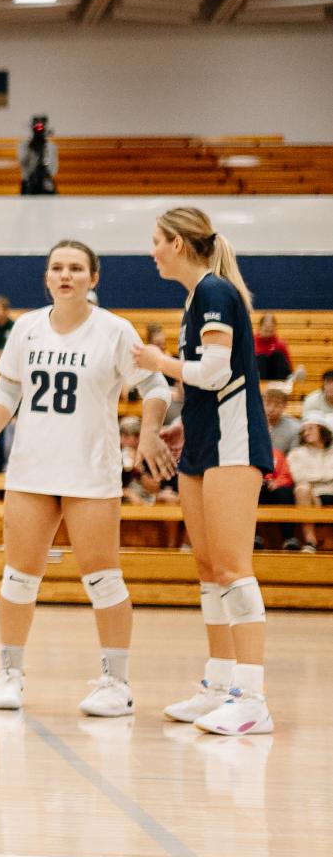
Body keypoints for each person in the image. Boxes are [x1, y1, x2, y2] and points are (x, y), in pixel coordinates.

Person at [0, 240, 173, 716]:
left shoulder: (116, 331)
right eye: (57, 268)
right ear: (47, 277)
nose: (66, 275)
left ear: (93, 278)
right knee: (19, 577)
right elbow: (8, 386)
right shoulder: (26, 327)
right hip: (31, 470)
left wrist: (148, 433)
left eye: (76, 268)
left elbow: (156, 384)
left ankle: (116, 683)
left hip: (91, 470)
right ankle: (10, 674)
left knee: (103, 579)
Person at [132, 207, 274, 735]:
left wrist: (156, 361)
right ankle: (219, 684)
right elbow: (211, 383)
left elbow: (215, 373)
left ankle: (253, 697)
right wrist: (185, 427)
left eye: (155, 241)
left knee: (234, 567)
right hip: (206, 442)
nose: (151, 252)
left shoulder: (215, 291)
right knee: (209, 567)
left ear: (177, 243)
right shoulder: (197, 298)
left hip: (236, 444)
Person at [288, 415, 333, 552]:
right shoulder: (297, 453)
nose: (306, 433)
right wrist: (326, 476)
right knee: (302, 488)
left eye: (311, 429)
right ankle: (310, 541)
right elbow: (298, 476)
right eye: (304, 430)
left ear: (322, 430)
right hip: (311, 495)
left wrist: (315, 476)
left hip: (331, 491)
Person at [19, 115, 56, 195]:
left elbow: (53, 165)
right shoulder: (25, 145)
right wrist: (30, 149)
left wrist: (46, 176)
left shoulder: (50, 146)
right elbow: (23, 164)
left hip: (46, 180)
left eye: (41, 126)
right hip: (29, 181)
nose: (39, 128)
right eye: (37, 126)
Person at [254, 313, 292, 387]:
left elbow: (288, 366)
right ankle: (260, 387)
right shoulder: (251, 342)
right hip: (258, 376)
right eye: (266, 330)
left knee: (278, 355)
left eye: (271, 330)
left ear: (275, 329)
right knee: (261, 358)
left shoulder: (280, 344)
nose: (268, 333)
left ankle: (280, 387)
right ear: (260, 327)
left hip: (276, 378)